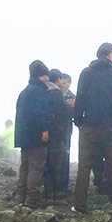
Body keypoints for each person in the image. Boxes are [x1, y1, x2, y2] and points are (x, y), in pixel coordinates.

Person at [72, 42, 112, 212]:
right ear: (110, 54)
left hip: (89, 126)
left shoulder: (86, 72)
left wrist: (78, 120)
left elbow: (80, 98)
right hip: (111, 127)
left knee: (84, 165)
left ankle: (80, 204)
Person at [14, 60, 52, 208]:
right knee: (36, 167)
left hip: (24, 136)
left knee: (25, 166)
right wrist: (44, 130)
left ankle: (20, 197)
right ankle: (32, 200)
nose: (47, 79)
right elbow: (41, 113)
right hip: (36, 136)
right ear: (41, 76)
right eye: (46, 76)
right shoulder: (40, 92)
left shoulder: (24, 92)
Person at [44, 69, 75, 200]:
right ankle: (54, 188)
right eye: (63, 81)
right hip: (57, 130)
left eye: (67, 82)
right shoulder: (54, 93)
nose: (65, 84)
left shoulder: (71, 96)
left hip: (65, 129)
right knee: (55, 157)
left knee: (64, 157)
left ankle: (61, 185)